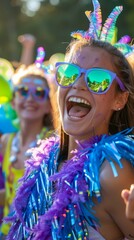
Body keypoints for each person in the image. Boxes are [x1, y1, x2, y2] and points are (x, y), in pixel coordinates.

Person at [6, 0, 134, 239]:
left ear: (119, 100)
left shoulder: (111, 173)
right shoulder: (43, 163)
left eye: (97, 80)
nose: (78, 84)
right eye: (69, 73)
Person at [0, 47, 56, 239]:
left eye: (39, 93)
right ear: (13, 101)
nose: (30, 98)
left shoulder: (52, 146)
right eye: (23, 91)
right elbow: (9, 194)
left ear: (50, 105)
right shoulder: (6, 141)